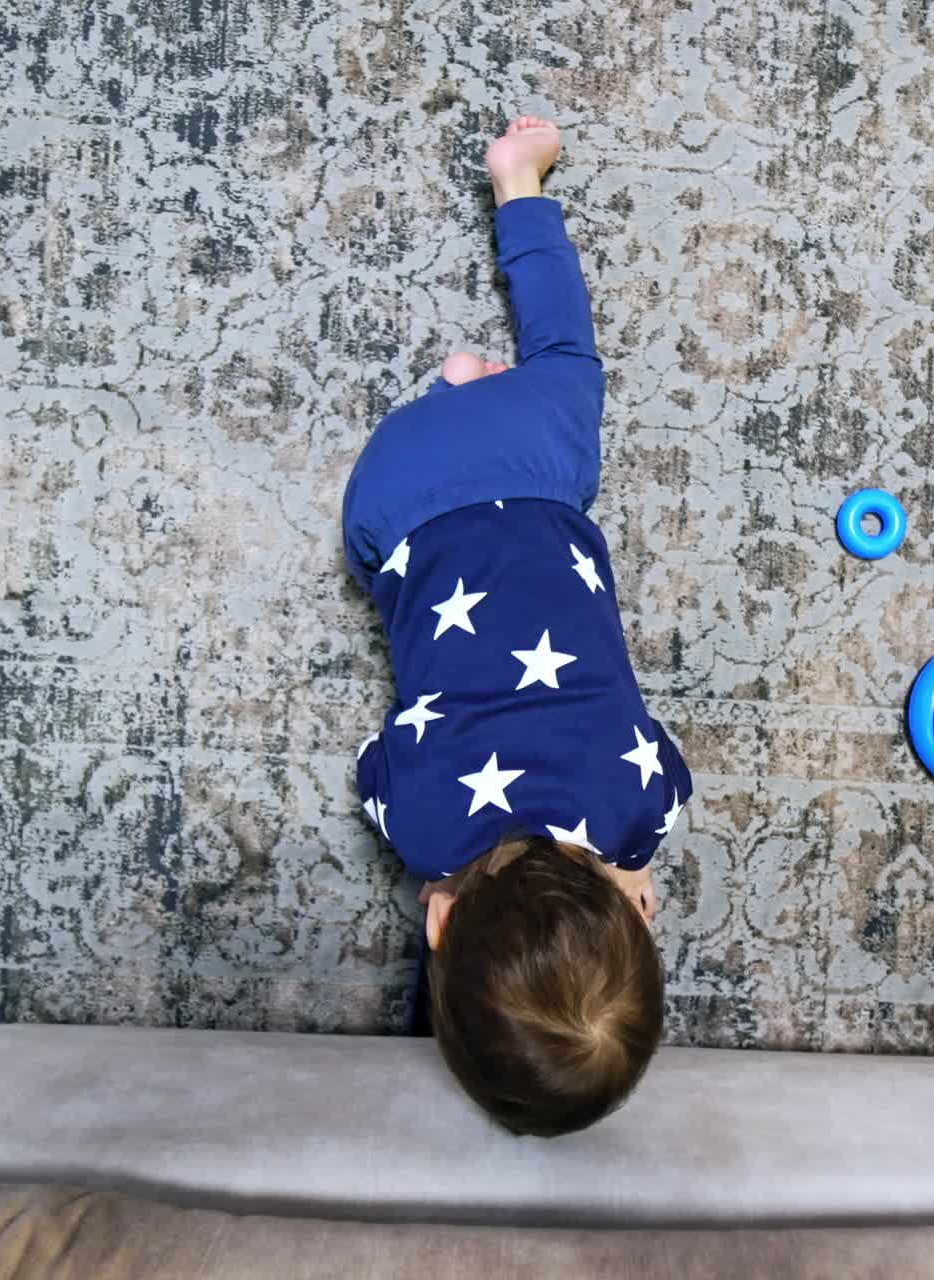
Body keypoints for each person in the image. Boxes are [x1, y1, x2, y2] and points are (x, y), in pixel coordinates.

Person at [342, 116, 693, 1138]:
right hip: (392, 487)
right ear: (440, 920)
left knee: (568, 357)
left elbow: (654, 771)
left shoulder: (641, 803)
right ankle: (464, 398)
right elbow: (374, 757)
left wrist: (627, 862)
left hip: (535, 475)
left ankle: (518, 184)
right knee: (390, 577)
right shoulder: (422, 827)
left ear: (640, 910)